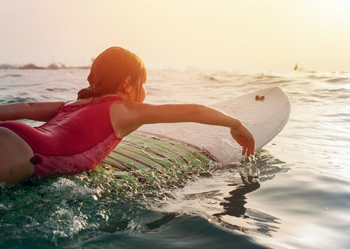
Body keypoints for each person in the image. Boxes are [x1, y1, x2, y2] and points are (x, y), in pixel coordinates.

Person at [0, 47, 255, 185]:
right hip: (25, 153)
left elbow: (26, 107)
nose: (145, 91)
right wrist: (235, 123)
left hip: (12, 135)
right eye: (144, 83)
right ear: (127, 83)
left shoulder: (72, 103)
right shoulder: (125, 111)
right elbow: (193, 110)